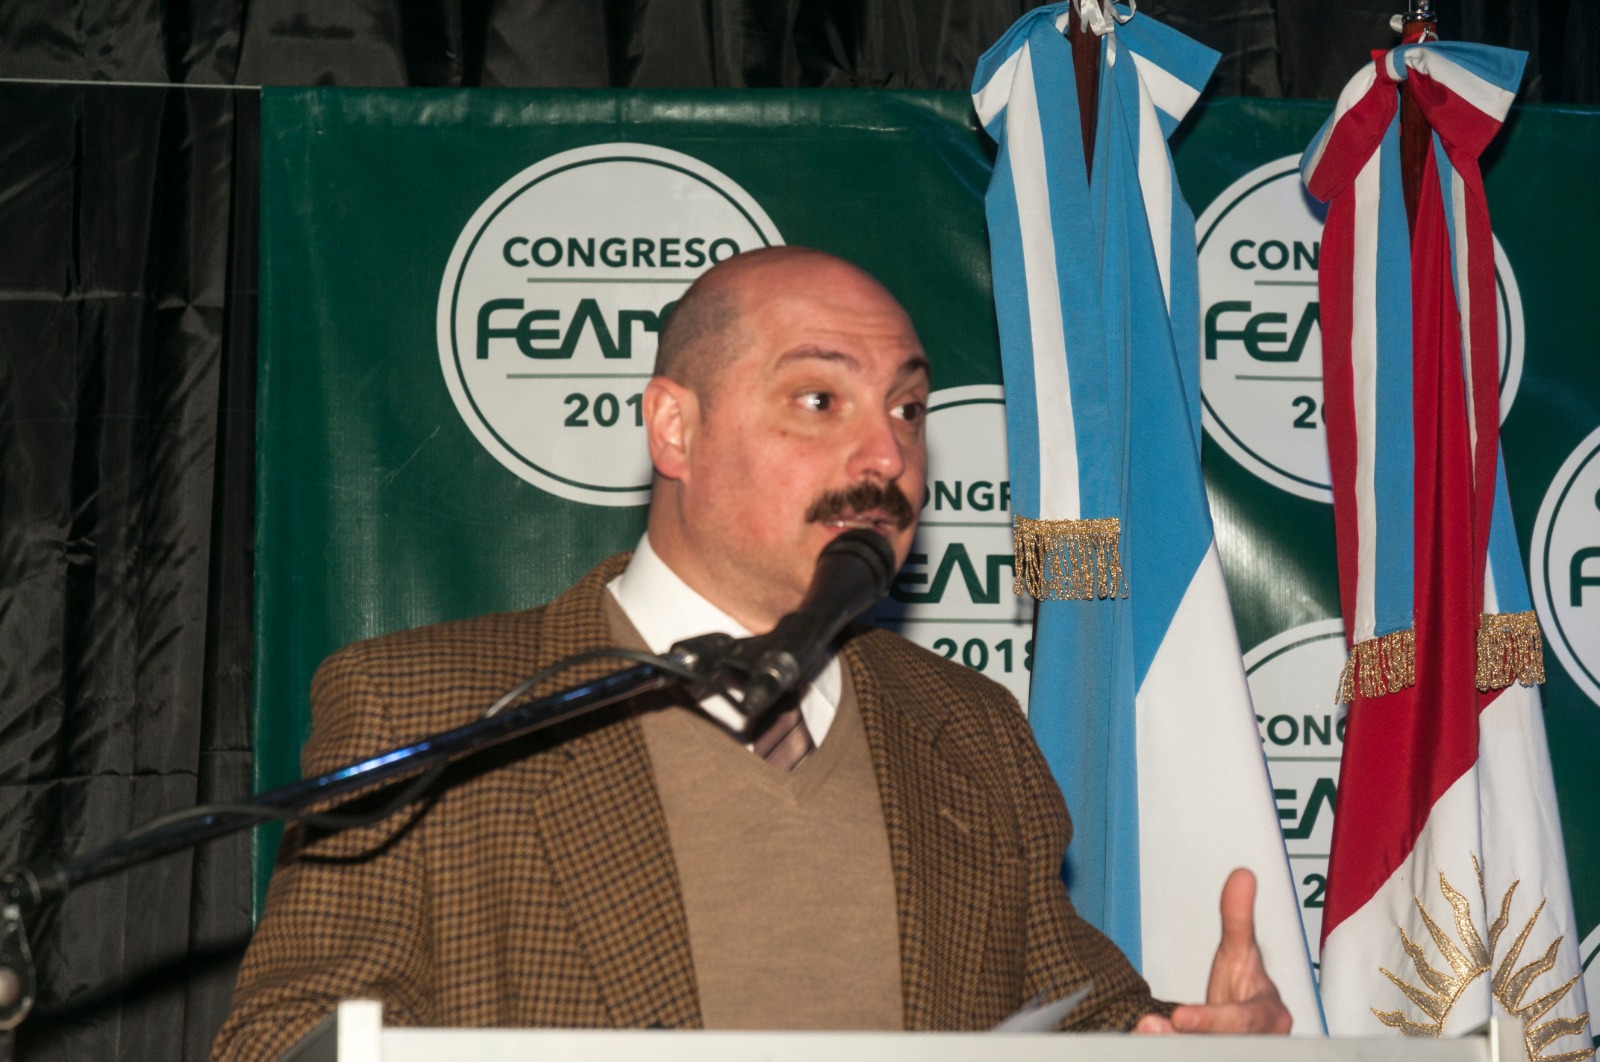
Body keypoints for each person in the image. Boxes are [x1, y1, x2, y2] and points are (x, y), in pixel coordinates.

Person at [211, 247, 1289, 1059]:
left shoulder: (970, 728)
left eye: (908, 408)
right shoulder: (428, 706)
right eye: (819, 400)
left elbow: (1082, 1020)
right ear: (674, 430)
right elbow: (280, 1039)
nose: (887, 454)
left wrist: (1199, 1044)